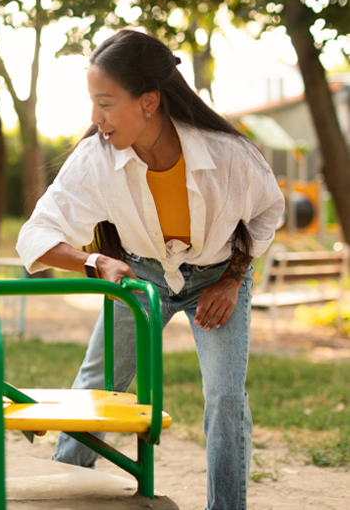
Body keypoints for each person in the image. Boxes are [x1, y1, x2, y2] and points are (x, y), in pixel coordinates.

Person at [16, 30, 284, 510]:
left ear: (148, 101)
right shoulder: (95, 159)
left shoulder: (226, 154)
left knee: (225, 400)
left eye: (105, 103)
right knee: (96, 388)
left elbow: (269, 210)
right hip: (140, 277)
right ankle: (62, 497)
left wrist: (232, 279)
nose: (95, 119)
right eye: (92, 103)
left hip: (215, 277)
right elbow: (34, 235)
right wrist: (94, 261)